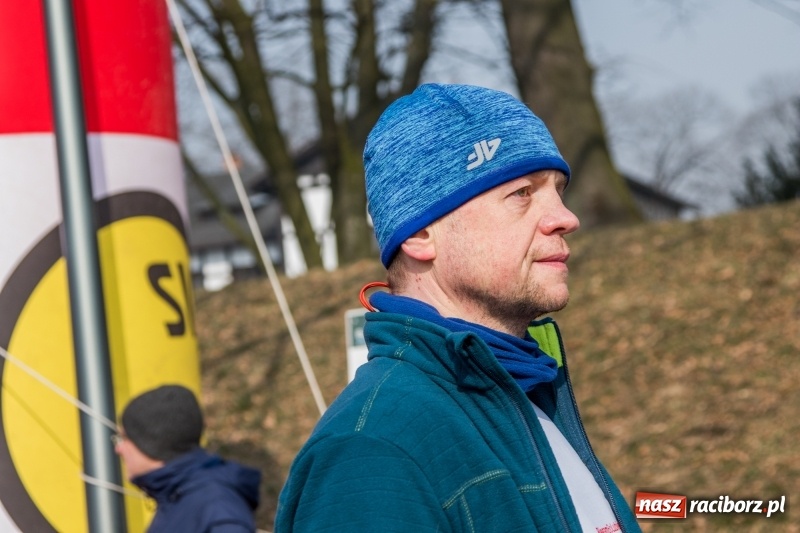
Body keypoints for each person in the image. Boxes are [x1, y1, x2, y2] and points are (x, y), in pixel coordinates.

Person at [275, 83, 641, 532]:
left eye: (558, 190)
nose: (566, 217)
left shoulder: (530, 398)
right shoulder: (374, 449)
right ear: (420, 235)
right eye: (522, 193)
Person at [114, 384, 261, 532]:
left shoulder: (218, 508)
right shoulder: (175, 498)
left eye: (125, 438)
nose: (118, 448)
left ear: (152, 443)